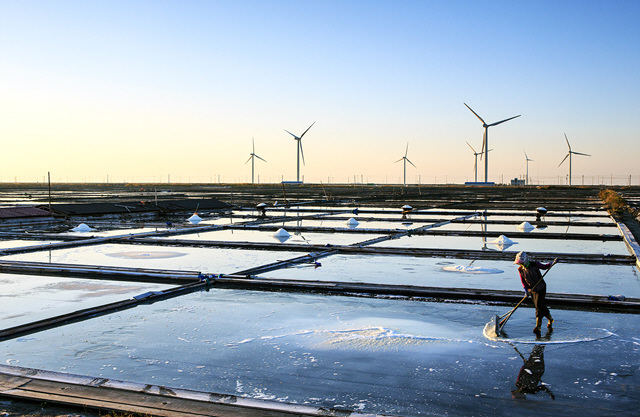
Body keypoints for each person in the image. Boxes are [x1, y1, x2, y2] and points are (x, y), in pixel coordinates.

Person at [514, 251, 555, 333]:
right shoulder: (520, 269)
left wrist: (551, 263)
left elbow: (544, 267)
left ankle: (538, 326)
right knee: (540, 306)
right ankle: (550, 319)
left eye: (521, 263)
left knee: (538, 307)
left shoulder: (534, 264)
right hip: (532, 290)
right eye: (519, 263)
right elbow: (523, 281)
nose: (520, 264)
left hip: (541, 288)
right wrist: (526, 290)